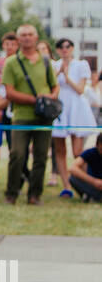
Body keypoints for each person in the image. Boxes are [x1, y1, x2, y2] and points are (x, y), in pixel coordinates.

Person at [1, 24, 59, 205]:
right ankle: (12, 192)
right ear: (18, 39)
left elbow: (55, 85)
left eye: (30, 34)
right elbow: (9, 92)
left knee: (41, 156)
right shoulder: (11, 62)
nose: (27, 38)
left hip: (44, 116)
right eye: (23, 35)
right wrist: (35, 100)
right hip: (21, 115)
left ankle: (35, 195)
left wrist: (51, 97)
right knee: (17, 154)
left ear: (36, 38)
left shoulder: (45, 61)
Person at [51, 38, 97, 197]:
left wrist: (66, 75)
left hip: (76, 108)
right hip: (60, 108)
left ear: (72, 48)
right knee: (60, 150)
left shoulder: (81, 64)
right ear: (57, 50)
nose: (64, 49)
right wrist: (58, 73)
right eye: (61, 47)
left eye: (67, 46)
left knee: (78, 151)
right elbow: (51, 86)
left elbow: (80, 89)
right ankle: (67, 186)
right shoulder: (54, 65)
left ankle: (86, 184)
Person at [0, 31, 18, 185]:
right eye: (7, 44)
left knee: (13, 144)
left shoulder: (19, 62)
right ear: (3, 45)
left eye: (13, 44)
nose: (10, 47)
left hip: (12, 105)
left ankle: (14, 175)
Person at [69, 133, 102, 201]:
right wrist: (94, 181)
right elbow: (72, 168)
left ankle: (91, 197)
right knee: (73, 179)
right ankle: (94, 197)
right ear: (97, 145)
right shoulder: (90, 152)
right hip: (93, 185)